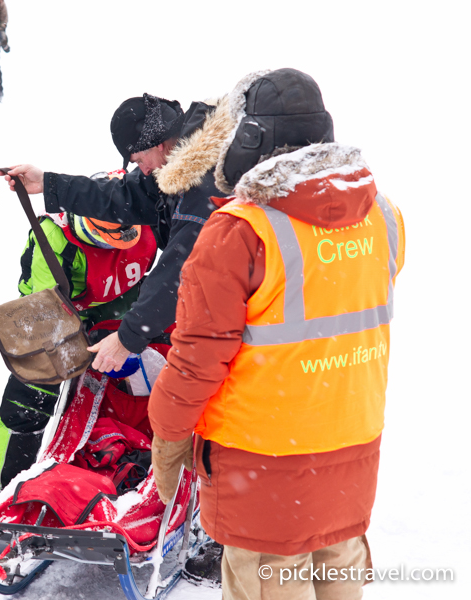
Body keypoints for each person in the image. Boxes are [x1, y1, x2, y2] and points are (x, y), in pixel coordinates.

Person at [147, 68, 406, 599]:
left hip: (261, 459)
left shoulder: (240, 230)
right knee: (340, 569)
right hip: (352, 447)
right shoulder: (383, 214)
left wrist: (168, 438)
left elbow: (197, 358)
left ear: (249, 140)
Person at [2, 92, 235, 374]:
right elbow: (124, 195)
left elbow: (179, 273)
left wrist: (127, 339)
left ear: (159, 144)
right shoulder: (178, 159)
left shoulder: (202, 190)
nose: (142, 170)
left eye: (138, 160)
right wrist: (49, 184)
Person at [0, 203, 157, 508]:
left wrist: (127, 331)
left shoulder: (146, 218)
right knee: (29, 402)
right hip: (53, 315)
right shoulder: (52, 237)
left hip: (122, 314)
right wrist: (88, 339)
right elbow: (46, 315)